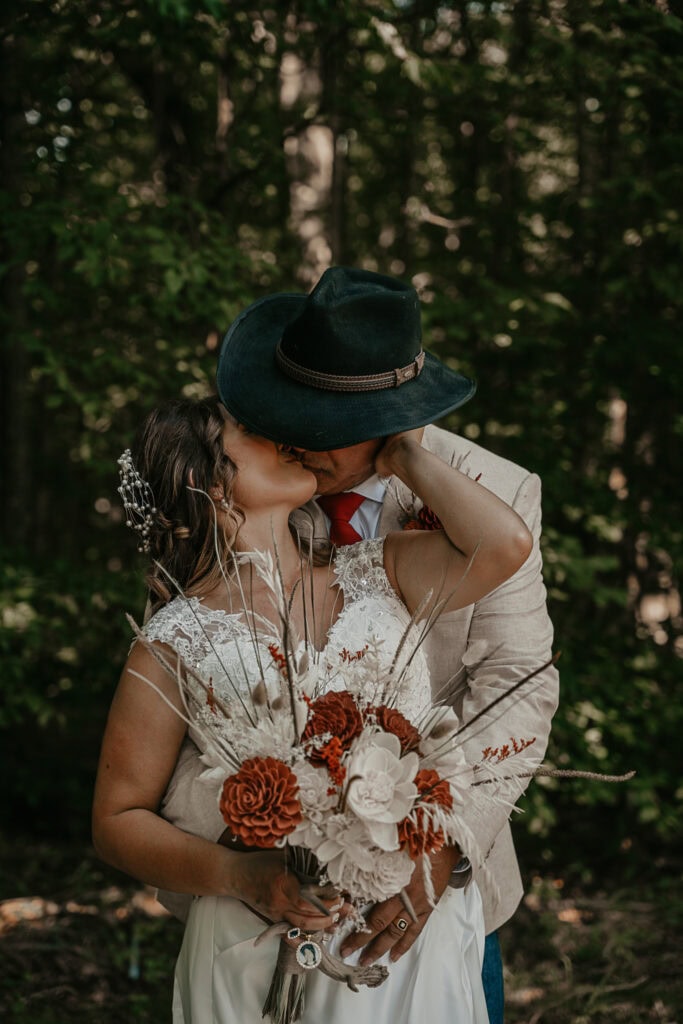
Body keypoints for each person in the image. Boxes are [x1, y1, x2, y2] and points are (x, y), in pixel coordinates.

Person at [157, 267, 560, 1024]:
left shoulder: (494, 490)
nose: (294, 434)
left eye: (322, 419)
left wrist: (437, 844)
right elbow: (189, 694)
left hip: (430, 887)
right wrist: (247, 842)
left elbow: (517, 682)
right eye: (288, 409)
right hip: (254, 886)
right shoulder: (242, 485)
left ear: (389, 412)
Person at [92, 386, 533, 1023]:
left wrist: (400, 443)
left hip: (400, 925)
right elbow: (117, 819)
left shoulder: (380, 571)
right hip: (254, 931)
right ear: (209, 484)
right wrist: (242, 877)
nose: (287, 433)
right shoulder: (172, 642)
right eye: (254, 429)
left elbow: (506, 546)